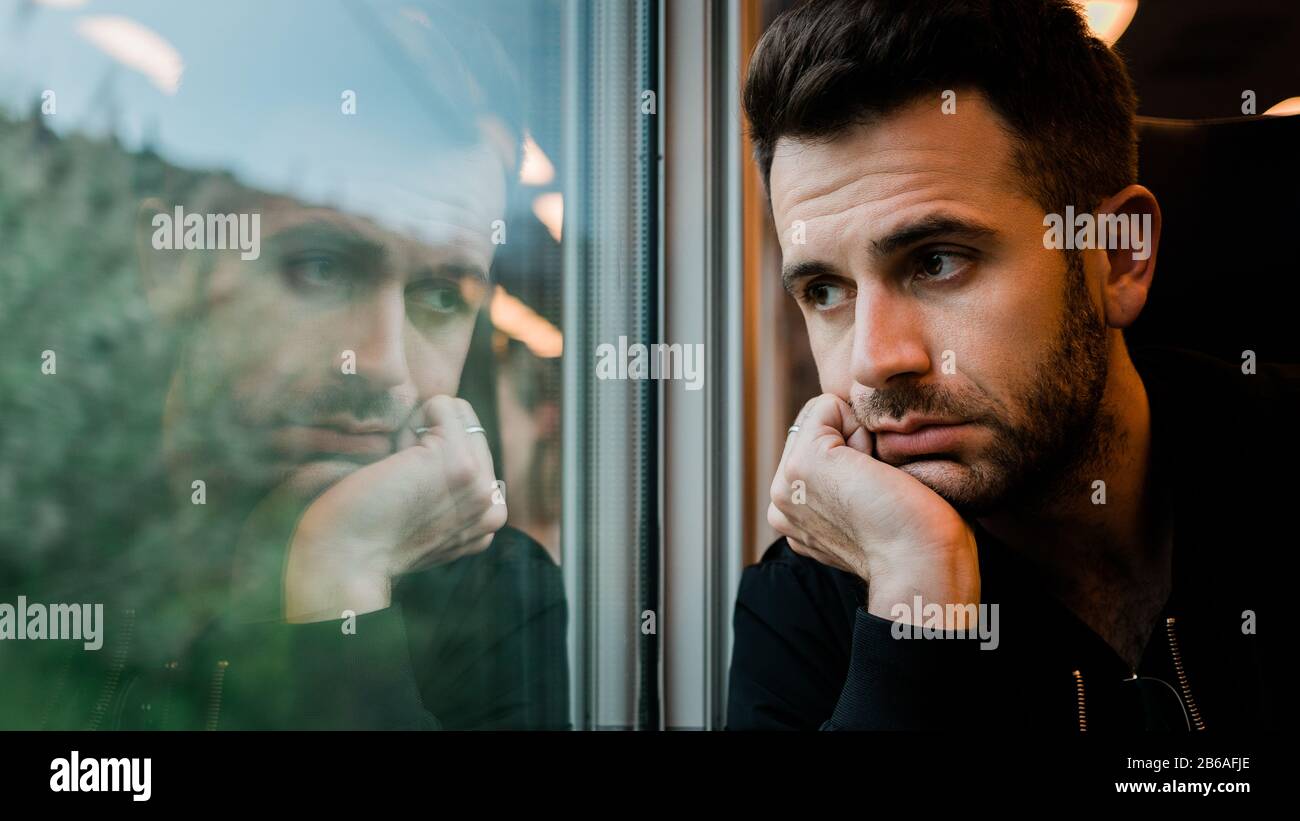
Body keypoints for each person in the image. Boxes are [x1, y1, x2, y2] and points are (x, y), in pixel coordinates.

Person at [728, 0, 1298, 731]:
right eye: (825, 290)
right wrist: (914, 603)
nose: (873, 362)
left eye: (936, 261)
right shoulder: (806, 605)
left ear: (1119, 257)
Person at [0, 1, 567, 730]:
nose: (381, 362)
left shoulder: (494, 598)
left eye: (439, 296)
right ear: (173, 262)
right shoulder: (46, 547)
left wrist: (342, 575)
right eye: (321, 267)